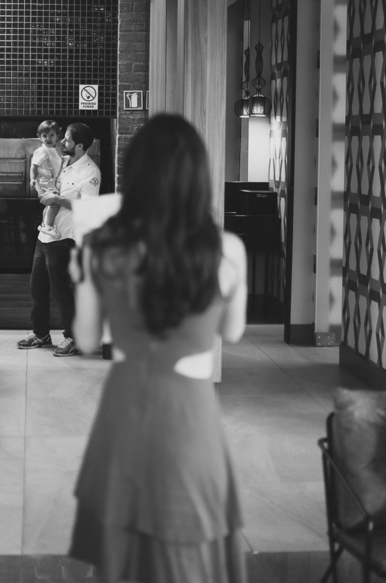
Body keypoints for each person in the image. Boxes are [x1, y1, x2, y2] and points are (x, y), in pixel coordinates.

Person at [67, 114, 249, 583]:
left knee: (122, 553)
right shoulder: (227, 250)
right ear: (197, 176)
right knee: (191, 547)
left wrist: (82, 278)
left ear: (137, 175)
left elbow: (85, 340)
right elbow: (232, 332)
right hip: (191, 411)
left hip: (124, 404)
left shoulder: (101, 247)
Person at [16, 122, 101, 357]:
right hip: (45, 235)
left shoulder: (91, 172)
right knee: (37, 287)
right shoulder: (62, 161)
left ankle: (73, 337)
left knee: (61, 291)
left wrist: (57, 200)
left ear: (80, 146)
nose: (62, 141)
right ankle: (41, 334)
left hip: (65, 238)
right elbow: (43, 174)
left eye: (67, 139)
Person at [30, 120, 64, 239]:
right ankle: (48, 225)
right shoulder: (42, 151)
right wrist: (32, 179)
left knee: (50, 203)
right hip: (44, 181)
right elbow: (34, 166)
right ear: (40, 137)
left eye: (51, 135)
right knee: (55, 202)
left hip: (51, 181)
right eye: (44, 136)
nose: (48, 138)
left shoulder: (55, 150)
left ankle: (44, 224)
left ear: (57, 136)